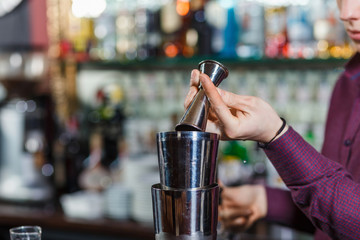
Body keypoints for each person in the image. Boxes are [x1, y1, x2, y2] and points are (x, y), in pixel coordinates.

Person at [184, 0, 360, 239]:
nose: (347, 13)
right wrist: (264, 200)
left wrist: (275, 135)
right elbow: (336, 214)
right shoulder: (347, 84)